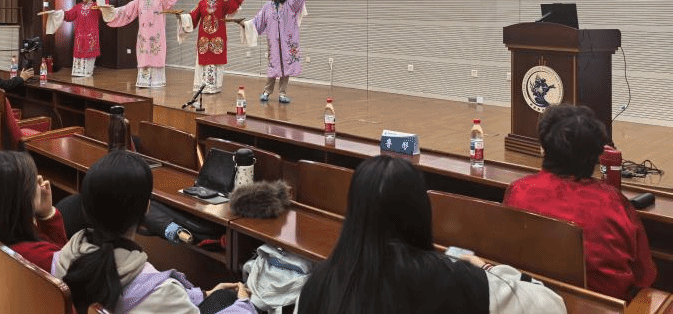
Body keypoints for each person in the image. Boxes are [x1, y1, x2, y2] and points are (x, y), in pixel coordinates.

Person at [295, 155, 566, 314]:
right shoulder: (452, 278)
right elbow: (552, 306)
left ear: (353, 211)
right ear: (420, 210)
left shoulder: (318, 284)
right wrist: (485, 268)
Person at [54, 151, 256, 314]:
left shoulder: (62, 258)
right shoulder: (160, 293)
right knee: (229, 299)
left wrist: (203, 294)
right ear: (146, 208)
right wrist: (244, 304)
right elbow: (163, 301)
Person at [504, 104, 656, 300]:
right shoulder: (614, 204)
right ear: (597, 154)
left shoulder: (518, 192)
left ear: (543, 147)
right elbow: (645, 276)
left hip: (532, 303)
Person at [0, 151, 66, 273]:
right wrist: (49, 216)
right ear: (21, 200)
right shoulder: (42, 257)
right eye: (33, 182)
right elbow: (61, 261)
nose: (39, 183)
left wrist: (46, 214)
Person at [103, 0, 178, 88]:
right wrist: (112, 11)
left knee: (156, 54)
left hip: (156, 33)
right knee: (144, 55)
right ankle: (144, 81)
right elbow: (127, 9)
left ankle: (156, 82)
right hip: (144, 33)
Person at [244, 0, 305, 104]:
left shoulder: (290, 5)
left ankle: (282, 94)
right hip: (273, 43)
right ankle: (266, 92)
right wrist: (246, 24)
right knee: (273, 67)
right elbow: (258, 21)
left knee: (286, 69)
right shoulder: (267, 7)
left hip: (288, 43)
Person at [182, 0, 245, 94]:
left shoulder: (223, 2)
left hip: (218, 37)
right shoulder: (201, 3)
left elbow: (235, 3)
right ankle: (201, 87)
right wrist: (182, 18)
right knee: (203, 61)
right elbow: (192, 17)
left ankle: (214, 87)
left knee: (215, 61)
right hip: (204, 38)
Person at [43, 0, 104, 77]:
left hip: (91, 35)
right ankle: (79, 72)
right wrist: (55, 13)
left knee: (90, 53)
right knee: (80, 52)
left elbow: (104, 5)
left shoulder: (96, 6)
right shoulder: (78, 7)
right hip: (80, 35)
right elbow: (68, 15)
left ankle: (88, 72)